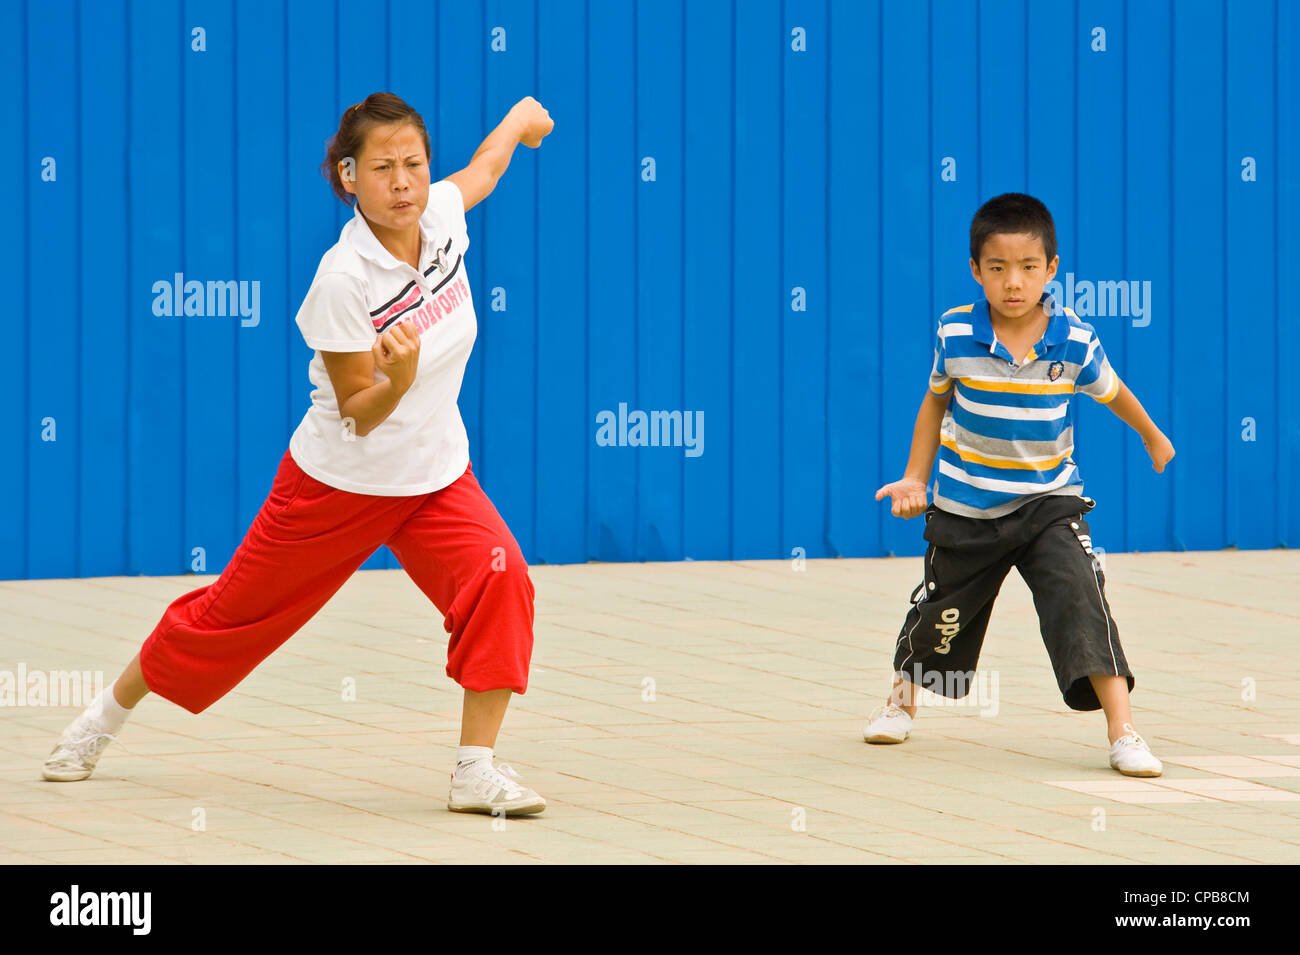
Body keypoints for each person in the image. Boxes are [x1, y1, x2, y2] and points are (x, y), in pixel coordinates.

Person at [42, 91, 557, 816]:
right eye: (382, 168)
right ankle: (103, 717)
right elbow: (359, 413)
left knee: (501, 576)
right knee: (227, 617)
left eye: (413, 163)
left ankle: (475, 769)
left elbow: (487, 169)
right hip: (337, 484)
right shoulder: (342, 280)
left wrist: (519, 120)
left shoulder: (441, 215)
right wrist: (398, 380)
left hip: (435, 475)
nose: (403, 181)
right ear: (348, 178)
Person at [865, 193, 1175, 777]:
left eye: (1029, 267)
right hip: (967, 506)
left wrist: (1153, 436)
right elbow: (933, 407)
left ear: (1052, 270)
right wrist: (914, 477)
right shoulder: (955, 331)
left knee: (1082, 595)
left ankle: (1124, 732)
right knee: (940, 613)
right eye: (998, 268)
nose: (1014, 282)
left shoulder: (1075, 339)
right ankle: (900, 704)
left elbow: (1114, 392)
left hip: (1048, 504)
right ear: (976, 271)